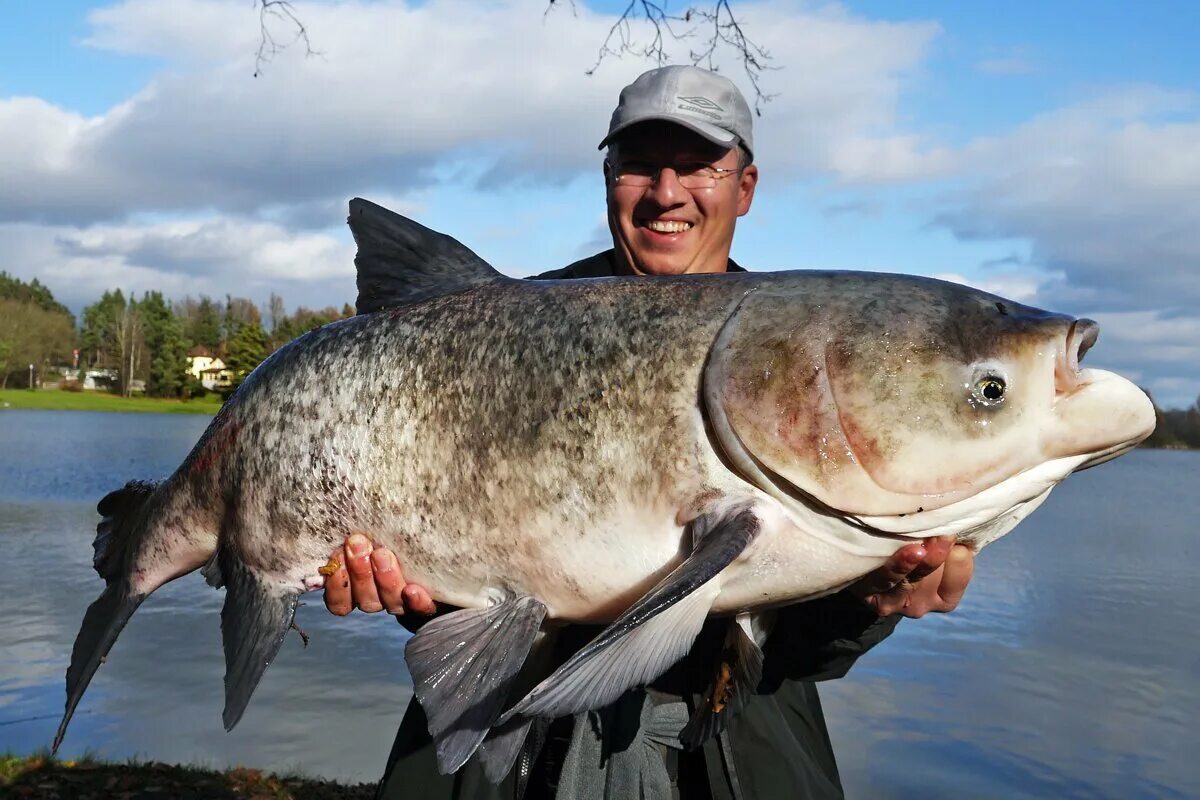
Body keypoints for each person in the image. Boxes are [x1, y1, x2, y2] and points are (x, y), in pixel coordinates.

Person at [323, 66, 975, 799]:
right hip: (507, 758)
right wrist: (421, 597)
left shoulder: (804, 361)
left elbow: (797, 656)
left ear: (745, 187)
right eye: (639, 165)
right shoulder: (492, 333)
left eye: (698, 166)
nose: (667, 192)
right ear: (609, 180)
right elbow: (453, 567)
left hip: (731, 758)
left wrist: (869, 602)